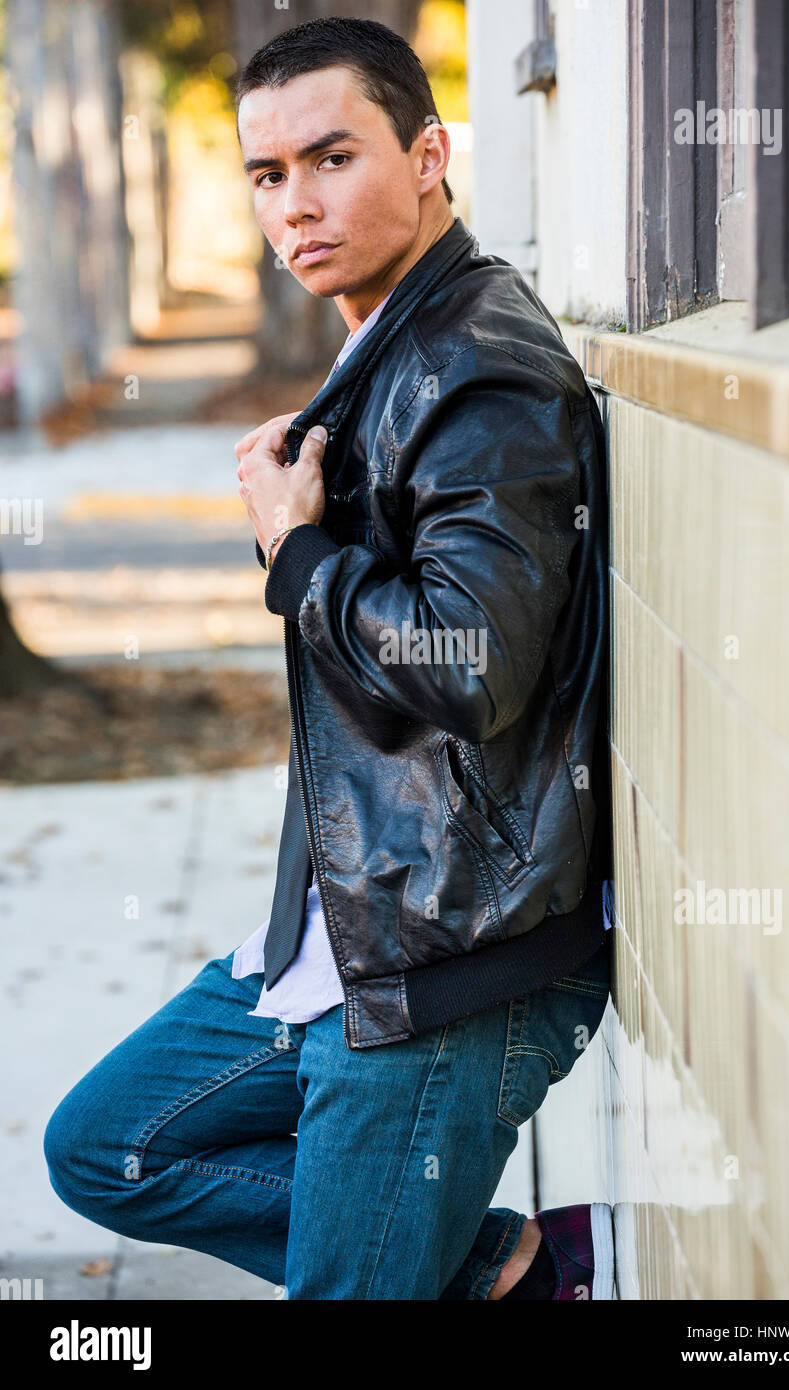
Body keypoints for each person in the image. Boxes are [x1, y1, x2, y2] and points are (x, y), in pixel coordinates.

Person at [44, 15, 615, 1301]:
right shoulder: (390, 342)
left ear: (427, 154)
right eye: (266, 174)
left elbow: (469, 663)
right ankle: (508, 1269)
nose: (294, 204)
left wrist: (295, 557)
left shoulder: (476, 372)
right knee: (108, 1146)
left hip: (446, 964)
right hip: (352, 927)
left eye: (331, 157)